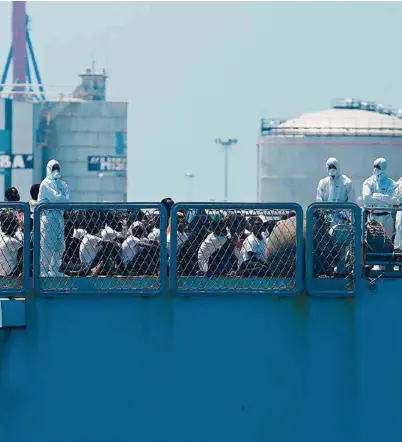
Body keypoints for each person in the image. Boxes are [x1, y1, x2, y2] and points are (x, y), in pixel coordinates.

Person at [38, 159, 70, 277]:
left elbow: (66, 201)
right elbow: (56, 199)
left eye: (58, 168)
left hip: (59, 217)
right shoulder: (45, 184)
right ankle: (43, 271)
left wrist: (61, 200)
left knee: (60, 246)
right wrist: (61, 200)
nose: (56, 170)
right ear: (49, 169)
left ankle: (54, 270)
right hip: (48, 218)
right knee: (47, 245)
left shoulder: (63, 184)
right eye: (54, 168)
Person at [363, 157, 400, 239]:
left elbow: (394, 200)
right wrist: (386, 199)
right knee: (372, 242)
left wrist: (376, 196)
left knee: (388, 242)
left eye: (378, 168)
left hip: (387, 217)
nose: (376, 171)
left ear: (384, 168)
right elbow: (367, 199)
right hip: (372, 218)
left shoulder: (392, 184)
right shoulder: (368, 182)